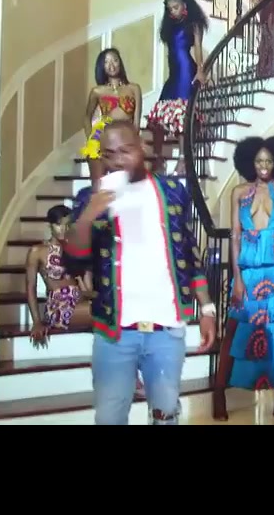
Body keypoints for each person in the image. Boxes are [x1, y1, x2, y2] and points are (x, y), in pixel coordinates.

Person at [61, 120, 217, 425]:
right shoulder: (91, 197)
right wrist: (89, 215)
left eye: (125, 150)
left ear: (142, 147)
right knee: (109, 418)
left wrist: (207, 309)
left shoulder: (173, 192)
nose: (118, 160)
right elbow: (74, 258)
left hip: (166, 329)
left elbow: (189, 253)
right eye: (109, 154)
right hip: (114, 332)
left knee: (165, 414)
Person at [213, 135, 274, 421]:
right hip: (249, 271)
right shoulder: (239, 192)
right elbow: (235, 236)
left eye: (268, 161)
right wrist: (237, 279)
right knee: (234, 330)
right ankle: (219, 393)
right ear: (250, 162)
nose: (264, 165)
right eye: (258, 161)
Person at [146, 0, 210, 175]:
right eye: (170, 9)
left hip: (186, 71)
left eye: (176, 7)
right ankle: (158, 159)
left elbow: (197, 48)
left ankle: (183, 159)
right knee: (158, 116)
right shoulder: (170, 26)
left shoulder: (194, 24)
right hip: (174, 73)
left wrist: (200, 70)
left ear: (184, 6)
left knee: (182, 115)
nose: (173, 11)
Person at [25, 205, 93, 347]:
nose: (63, 229)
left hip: (81, 302)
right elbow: (30, 288)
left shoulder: (76, 250)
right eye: (58, 224)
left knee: (109, 307)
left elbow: (87, 288)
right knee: (101, 312)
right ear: (49, 225)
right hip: (59, 307)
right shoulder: (37, 251)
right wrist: (37, 321)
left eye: (67, 225)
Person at [79, 48, 142, 184]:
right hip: (103, 133)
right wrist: (91, 138)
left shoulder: (134, 88)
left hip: (125, 134)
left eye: (115, 60)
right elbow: (86, 118)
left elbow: (136, 122)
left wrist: (133, 138)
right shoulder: (97, 91)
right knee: (97, 174)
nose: (111, 65)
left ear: (120, 63)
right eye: (106, 62)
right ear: (102, 66)